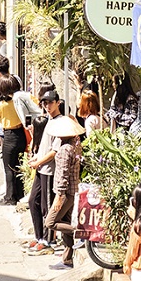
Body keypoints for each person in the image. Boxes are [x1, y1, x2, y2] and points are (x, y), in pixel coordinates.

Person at [44, 115, 85, 270]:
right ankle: (67, 259)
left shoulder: (63, 150)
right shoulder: (75, 145)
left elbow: (62, 175)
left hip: (65, 192)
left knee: (51, 222)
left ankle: (81, 232)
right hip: (73, 190)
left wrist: (59, 197)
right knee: (65, 222)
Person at [26, 89, 62, 256]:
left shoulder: (60, 123)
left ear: (58, 103)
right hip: (41, 168)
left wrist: (39, 162)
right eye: (44, 103)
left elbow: (54, 151)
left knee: (47, 206)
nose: (47, 106)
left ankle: (48, 240)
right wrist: (36, 160)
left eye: (50, 102)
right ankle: (39, 236)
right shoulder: (49, 120)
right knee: (33, 201)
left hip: (49, 170)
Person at [0, 76, 27, 206]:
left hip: (9, 135)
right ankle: (20, 193)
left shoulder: (1, 105)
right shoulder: (20, 102)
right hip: (21, 134)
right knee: (18, 165)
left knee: (8, 167)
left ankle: (10, 197)